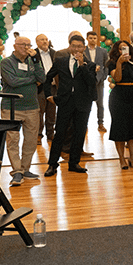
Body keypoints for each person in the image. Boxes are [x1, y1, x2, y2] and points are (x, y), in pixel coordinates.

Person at [44, 34, 98, 176]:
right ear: (69, 47)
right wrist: (48, 95)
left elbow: (92, 83)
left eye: (79, 47)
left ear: (84, 48)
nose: (76, 49)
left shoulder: (90, 65)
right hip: (65, 102)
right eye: (74, 46)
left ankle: (74, 163)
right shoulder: (61, 61)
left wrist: (82, 65)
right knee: (59, 133)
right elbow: (48, 77)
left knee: (79, 133)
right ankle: (52, 164)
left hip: (83, 104)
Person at [0, 36, 46, 186]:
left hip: (32, 106)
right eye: (23, 45)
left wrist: (36, 62)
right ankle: (17, 171)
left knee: (31, 140)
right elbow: (12, 81)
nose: (26, 47)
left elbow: (43, 78)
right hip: (11, 107)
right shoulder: (6, 62)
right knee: (12, 140)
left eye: (29, 45)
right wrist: (32, 79)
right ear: (15, 46)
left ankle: (25, 168)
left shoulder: (32, 62)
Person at [107, 39, 133, 170]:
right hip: (119, 97)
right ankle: (122, 159)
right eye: (121, 48)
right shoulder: (112, 63)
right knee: (120, 129)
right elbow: (118, 78)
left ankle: (132, 157)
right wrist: (120, 62)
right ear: (117, 50)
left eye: (126, 48)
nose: (123, 50)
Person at [85, 30, 109, 131]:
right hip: (86, 81)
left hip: (99, 81)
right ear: (87, 39)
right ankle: (84, 124)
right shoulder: (83, 51)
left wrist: (104, 76)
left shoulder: (102, 51)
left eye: (94, 38)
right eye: (90, 38)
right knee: (86, 104)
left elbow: (106, 64)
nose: (93, 40)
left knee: (100, 103)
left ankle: (100, 123)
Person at [35, 33, 56, 143]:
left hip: (53, 87)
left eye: (46, 39)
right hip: (41, 87)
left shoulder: (54, 53)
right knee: (40, 112)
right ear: (37, 42)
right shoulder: (34, 55)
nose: (45, 41)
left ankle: (50, 134)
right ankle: (38, 134)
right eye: (42, 39)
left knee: (52, 112)